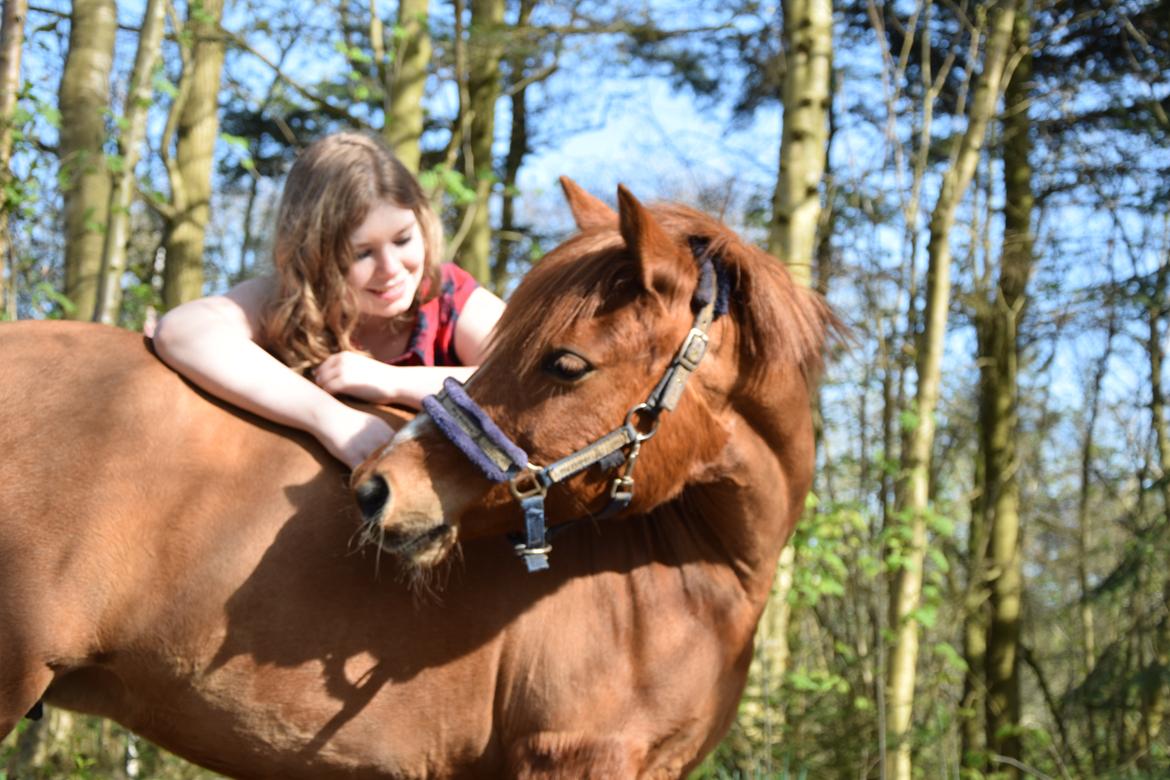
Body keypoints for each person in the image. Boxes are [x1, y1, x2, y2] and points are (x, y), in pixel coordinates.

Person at [154, 132, 506, 470]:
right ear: (313, 256)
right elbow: (182, 331)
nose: (391, 269)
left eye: (402, 240)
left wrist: (392, 381)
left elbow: (531, 381)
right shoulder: (285, 302)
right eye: (361, 254)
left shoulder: (449, 296)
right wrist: (327, 417)